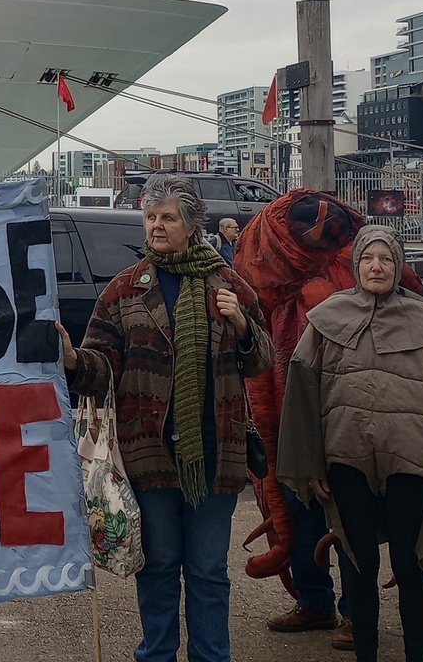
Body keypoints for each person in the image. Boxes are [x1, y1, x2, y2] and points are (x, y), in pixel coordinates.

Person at [59, 174, 273, 662]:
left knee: (207, 570)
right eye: (151, 216)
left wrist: (240, 323)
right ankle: (156, 654)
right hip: (147, 454)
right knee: (156, 568)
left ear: (192, 225)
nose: (157, 225)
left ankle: (211, 656)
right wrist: (74, 361)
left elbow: (262, 360)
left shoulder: (230, 284)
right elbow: (102, 367)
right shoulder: (122, 291)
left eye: (168, 217)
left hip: (216, 454)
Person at [279, 225, 423, 662]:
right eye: (369, 259)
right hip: (346, 459)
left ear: (399, 267)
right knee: (359, 565)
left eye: (387, 259)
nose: (377, 266)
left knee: (411, 565)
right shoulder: (327, 318)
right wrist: (310, 461)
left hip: (410, 462)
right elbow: (301, 391)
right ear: (357, 265)